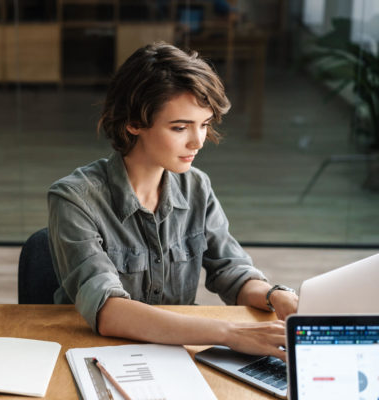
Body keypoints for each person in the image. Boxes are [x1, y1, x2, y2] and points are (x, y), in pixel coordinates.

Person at [47, 42, 298, 361]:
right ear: (134, 122)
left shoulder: (197, 186)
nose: (198, 141)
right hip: (93, 354)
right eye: (180, 127)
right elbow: (108, 311)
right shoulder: (73, 198)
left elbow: (231, 272)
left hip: (178, 353)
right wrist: (231, 335)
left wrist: (277, 296)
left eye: (204, 124)